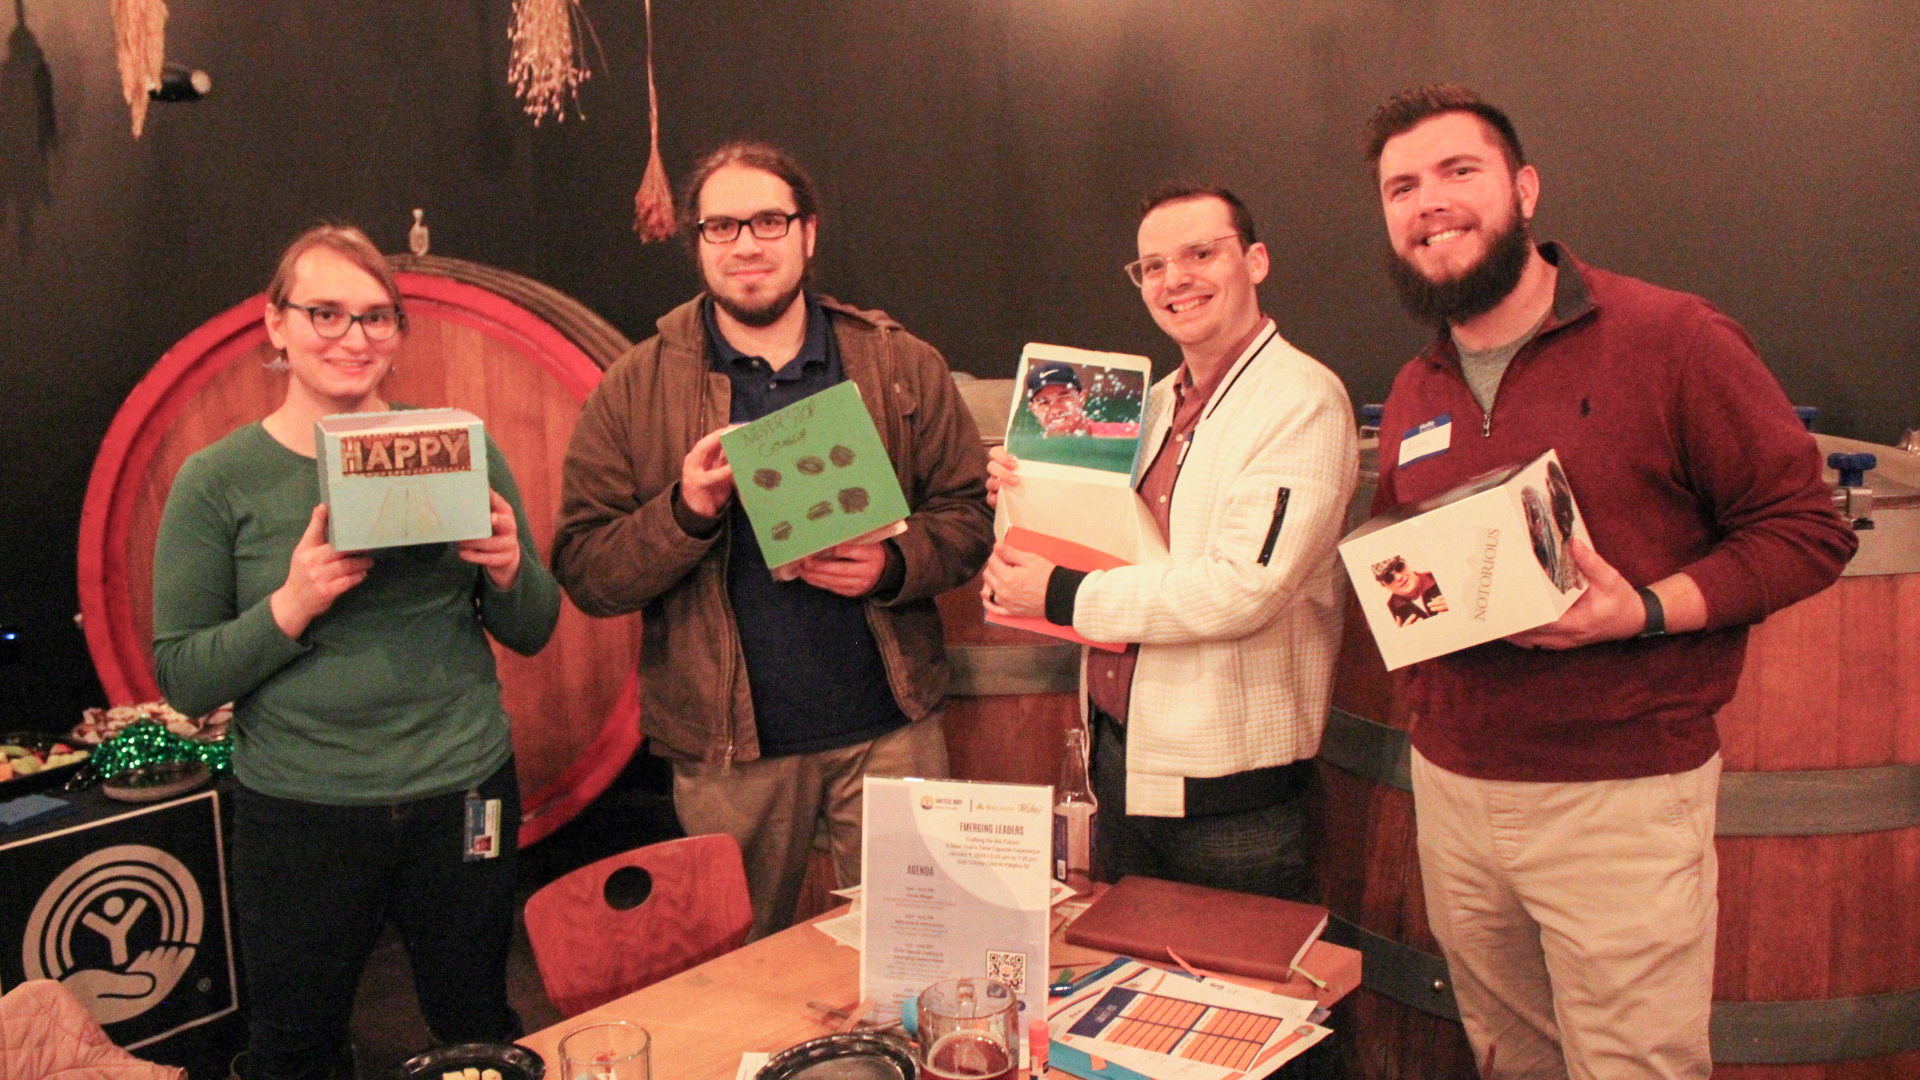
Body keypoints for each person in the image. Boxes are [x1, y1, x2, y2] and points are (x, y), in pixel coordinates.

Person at [1364, 85, 1857, 1079]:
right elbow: (1407, 559)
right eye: (1401, 187)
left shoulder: (1672, 338)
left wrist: (1639, 610)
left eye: (1459, 172)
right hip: (1455, 791)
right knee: (1512, 1061)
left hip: (1619, 797)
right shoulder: (1419, 383)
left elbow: (1808, 528)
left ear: (1526, 189)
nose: (1429, 204)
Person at [551, 142, 992, 939]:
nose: (746, 244)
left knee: (919, 952)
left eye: (767, 221)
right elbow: (586, 571)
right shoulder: (635, 386)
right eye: (722, 226)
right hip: (729, 757)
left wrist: (894, 565)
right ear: (697, 241)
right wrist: (683, 511)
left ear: (808, 233)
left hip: (892, 729)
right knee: (736, 970)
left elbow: (966, 517)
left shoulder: (899, 363)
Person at [152, 225, 560, 1080]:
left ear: (399, 332)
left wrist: (512, 566)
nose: (354, 338)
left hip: (463, 792)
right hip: (302, 809)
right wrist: (293, 603)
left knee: (478, 1022)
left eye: (377, 317)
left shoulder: (459, 444)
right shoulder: (217, 479)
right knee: (294, 1045)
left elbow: (532, 628)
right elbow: (186, 678)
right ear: (275, 324)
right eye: (325, 313)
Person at [982, 184, 1357, 901]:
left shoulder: (1302, 398)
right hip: (1121, 763)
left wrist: (1059, 593)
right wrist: (1024, 491)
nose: (1173, 279)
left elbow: (1242, 589)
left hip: (1231, 791)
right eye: (1152, 265)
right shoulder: (1144, 404)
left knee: (1243, 1004)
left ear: (1255, 260)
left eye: (1200, 254)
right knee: (1134, 991)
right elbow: (1107, 542)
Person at [1026, 361, 1095, 436]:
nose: (1055, 410)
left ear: (1082, 398)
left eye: (1063, 398)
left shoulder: (1109, 435)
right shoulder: (1029, 447)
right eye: (1044, 402)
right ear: (1034, 409)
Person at [1374, 555, 1446, 625]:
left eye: (1399, 567)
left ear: (1406, 564)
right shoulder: (1388, 613)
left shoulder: (1441, 577)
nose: (1399, 577)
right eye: (1388, 578)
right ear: (1385, 586)